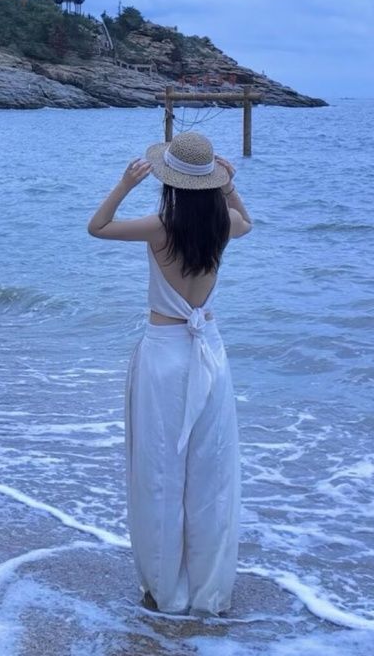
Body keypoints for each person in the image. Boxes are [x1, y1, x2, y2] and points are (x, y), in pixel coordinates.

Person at [86, 131, 253, 616]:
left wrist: (124, 184)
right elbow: (248, 221)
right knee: (210, 473)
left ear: (170, 181)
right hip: (210, 353)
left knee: (161, 471)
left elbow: (98, 227)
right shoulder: (224, 224)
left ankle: (165, 589)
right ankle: (209, 592)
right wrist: (229, 188)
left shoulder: (160, 227)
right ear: (210, 181)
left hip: (164, 354)